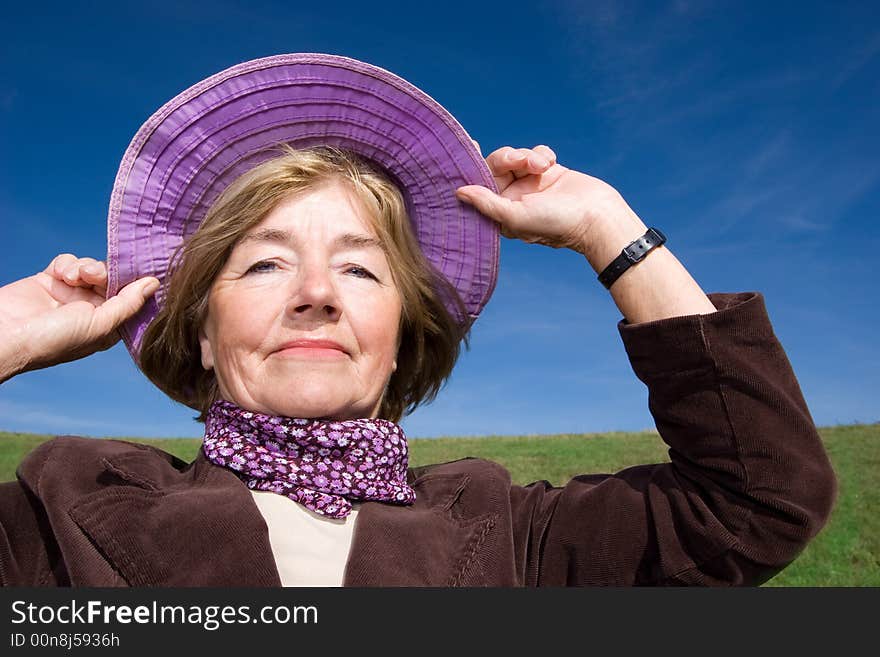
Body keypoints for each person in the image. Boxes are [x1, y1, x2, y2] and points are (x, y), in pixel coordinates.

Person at [0, 54, 836, 587]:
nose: (317, 291)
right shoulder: (55, 514)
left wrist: (608, 228)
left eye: (361, 266)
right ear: (204, 335)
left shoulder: (516, 538)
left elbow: (758, 502)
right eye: (264, 262)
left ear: (404, 335)